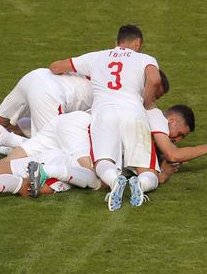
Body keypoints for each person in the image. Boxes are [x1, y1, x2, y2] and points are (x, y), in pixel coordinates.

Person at [50, 24, 162, 211]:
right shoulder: (145, 58)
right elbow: (155, 79)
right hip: (133, 111)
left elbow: (56, 67)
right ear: (137, 43)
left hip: (104, 111)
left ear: (116, 42)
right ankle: (140, 185)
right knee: (148, 170)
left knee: (103, 160)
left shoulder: (97, 56)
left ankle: (113, 181)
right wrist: (146, 101)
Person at [0, 67, 93, 150]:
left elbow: (57, 66)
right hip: (52, 95)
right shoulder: (110, 97)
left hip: (37, 76)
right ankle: (3, 142)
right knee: (47, 148)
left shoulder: (99, 62)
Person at [147, 105, 207, 185]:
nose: (177, 140)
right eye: (179, 134)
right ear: (171, 120)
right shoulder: (158, 122)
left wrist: (181, 156)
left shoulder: (153, 114)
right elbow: (173, 156)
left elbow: (172, 153)